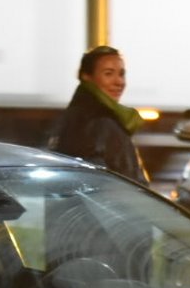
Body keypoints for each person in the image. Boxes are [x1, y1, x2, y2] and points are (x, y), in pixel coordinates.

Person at [51, 45, 150, 185]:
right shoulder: (98, 121)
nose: (119, 82)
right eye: (108, 74)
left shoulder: (80, 114)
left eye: (121, 74)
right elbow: (97, 184)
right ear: (86, 77)